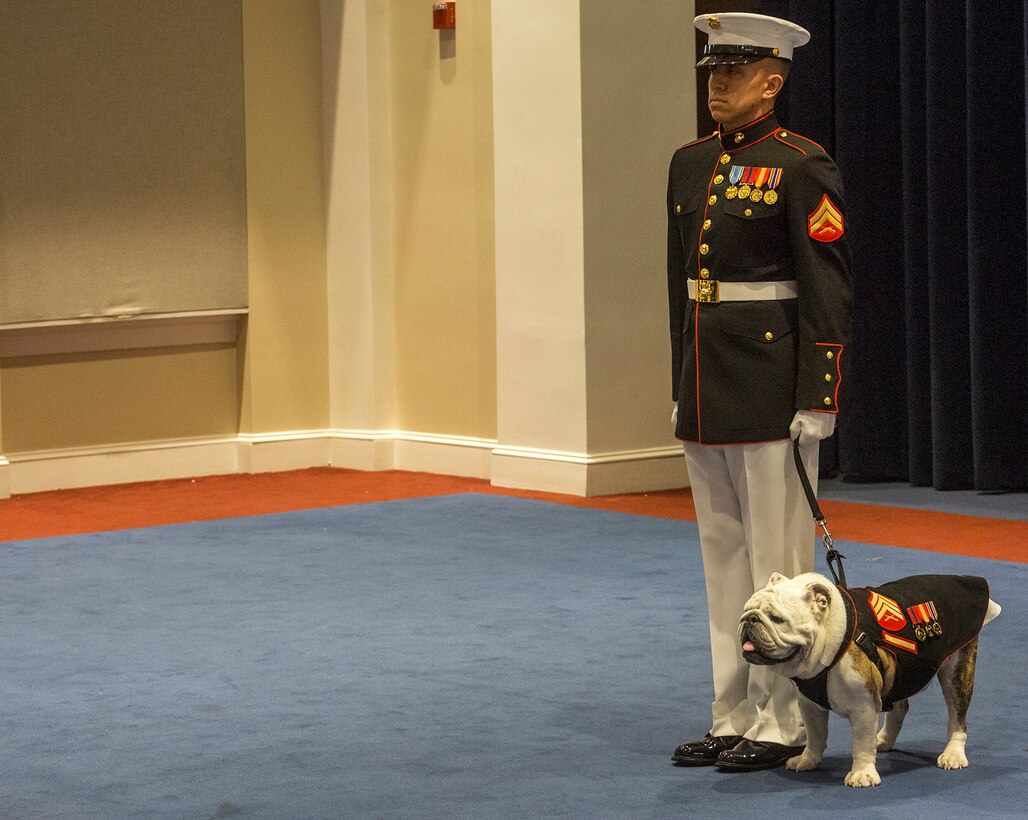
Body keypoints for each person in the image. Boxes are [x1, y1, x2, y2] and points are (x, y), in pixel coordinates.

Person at [667, 12, 853, 772]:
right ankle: (732, 711)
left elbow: (828, 289)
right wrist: (678, 380)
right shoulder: (687, 162)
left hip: (774, 385)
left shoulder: (802, 164)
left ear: (772, 81)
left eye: (734, 73)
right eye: (712, 71)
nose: (718, 84)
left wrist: (821, 392)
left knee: (776, 565)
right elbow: (679, 286)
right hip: (707, 384)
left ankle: (781, 723)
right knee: (722, 562)